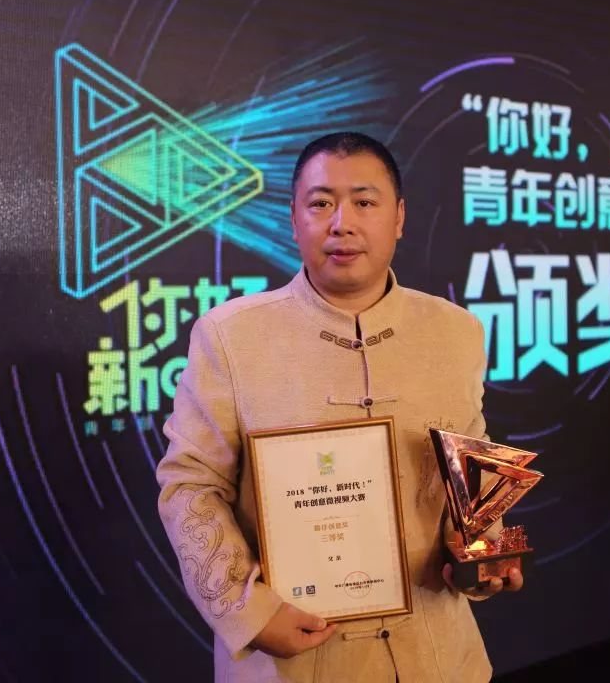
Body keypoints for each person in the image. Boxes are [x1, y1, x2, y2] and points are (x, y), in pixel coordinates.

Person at [155, 131, 522, 682]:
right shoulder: (231, 336)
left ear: (399, 217)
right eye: (321, 203)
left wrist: (482, 552)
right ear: (294, 218)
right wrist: (248, 611)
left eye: (365, 202)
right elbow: (191, 484)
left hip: (439, 657)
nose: (341, 223)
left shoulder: (455, 331)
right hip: (294, 660)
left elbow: (469, 467)